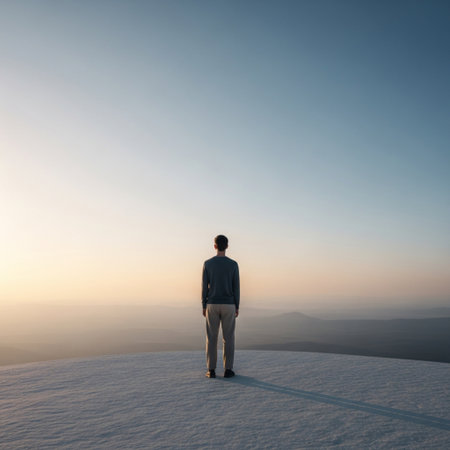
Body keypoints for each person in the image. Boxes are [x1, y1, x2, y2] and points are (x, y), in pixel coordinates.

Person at [202, 235, 240, 379]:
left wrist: (204, 304)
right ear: (227, 246)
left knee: (211, 337)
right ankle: (228, 370)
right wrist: (237, 305)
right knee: (228, 338)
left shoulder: (207, 263)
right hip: (229, 304)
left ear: (215, 246)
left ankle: (211, 370)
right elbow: (236, 287)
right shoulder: (233, 264)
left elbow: (204, 286)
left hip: (212, 303)